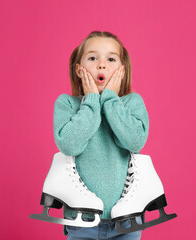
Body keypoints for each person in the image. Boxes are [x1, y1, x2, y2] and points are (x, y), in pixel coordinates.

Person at [53, 31, 149, 239]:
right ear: (79, 70)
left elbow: (135, 141)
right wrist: (91, 102)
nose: (102, 64)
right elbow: (70, 145)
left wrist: (110, 100)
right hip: (81, 220)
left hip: (126, 220)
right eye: (93, 58)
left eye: (111, 59)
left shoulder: (131, 103)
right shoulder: (67, 104)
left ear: (121, 71)